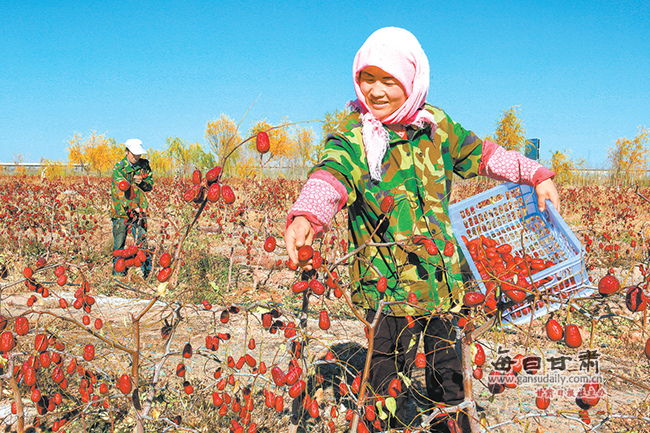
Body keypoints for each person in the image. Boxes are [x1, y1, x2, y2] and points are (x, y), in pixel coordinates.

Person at [284, 27, 560, 432]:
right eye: (367, 78)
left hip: (441, 284)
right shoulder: (355, 136)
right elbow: (331, 174)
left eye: (388, 80)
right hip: (388, 289)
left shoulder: (437, 127)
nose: (375, 91)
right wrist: (308, 215)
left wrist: (534, 173)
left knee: (449, 386)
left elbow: (484, 155)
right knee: (384, 389)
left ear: (412, 81)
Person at [110, 138, 154, 279]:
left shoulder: (144, 166)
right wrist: (133, 206)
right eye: (133, 154)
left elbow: (150, 185)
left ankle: (146, 273)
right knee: (120, 241)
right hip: (121, 210)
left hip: (140, 210)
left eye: (138, 155)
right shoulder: (119, 168)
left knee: (141, 239)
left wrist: (143, 182)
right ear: (126, 152)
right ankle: (118, 274)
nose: (136, 157)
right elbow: (120, 194)